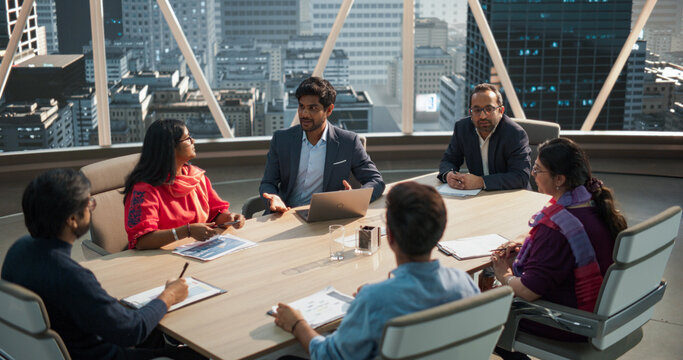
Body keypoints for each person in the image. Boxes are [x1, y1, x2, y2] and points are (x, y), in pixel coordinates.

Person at [1, 169, 202, 360]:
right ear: (72, 219)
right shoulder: (71, 277)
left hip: (61, 348)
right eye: (89, 203)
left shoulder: (18, 251)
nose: (91, 207)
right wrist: (169, 295)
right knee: (194, 355)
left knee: (155, 333)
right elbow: (132, 332)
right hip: (102, 355)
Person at [272, 182, 480, 359]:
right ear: (440, 232)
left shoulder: (375, 300)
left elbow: (328, 355)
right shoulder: (464, 283)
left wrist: (297, 324)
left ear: (389, 236)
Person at [491, 138, 627, 349]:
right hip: (601, 313)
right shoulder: (593, 205)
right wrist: (529, 242)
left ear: (559, 179)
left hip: (567, 321)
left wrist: (504, 275)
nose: (533, 175)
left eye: (537, 170)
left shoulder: (555, 230)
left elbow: (528, 291)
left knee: (478, 314)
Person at [259, 77, 385, 213]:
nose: (304, 114)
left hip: (325, 216)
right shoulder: (281, 139)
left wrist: (354, 198)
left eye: (312, 108)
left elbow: (376, 180)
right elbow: (268, 183)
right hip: (284, 214)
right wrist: (273, 198)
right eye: (301, 106)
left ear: (329, 110)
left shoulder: (348, 142)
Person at [123, 119, 245, 250]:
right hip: (160, 260)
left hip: (196, 251)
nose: (193, 141)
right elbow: (142, 240)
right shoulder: (144, 189)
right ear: (170, 147)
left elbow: (215, 214)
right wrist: (186, 231)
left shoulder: (195, 177)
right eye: (187, 138)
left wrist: (229, 218)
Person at [438, 83, 531, 191]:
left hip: (512, 196)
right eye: (477, 110)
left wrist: (481, 181)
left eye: (489, 109)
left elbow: (520, 176)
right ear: (470, 112)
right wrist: (448, 174)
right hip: (478, 195)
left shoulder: (515, 134)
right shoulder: (462, 128)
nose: (483, 116)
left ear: (500, 111)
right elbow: (448, 160)